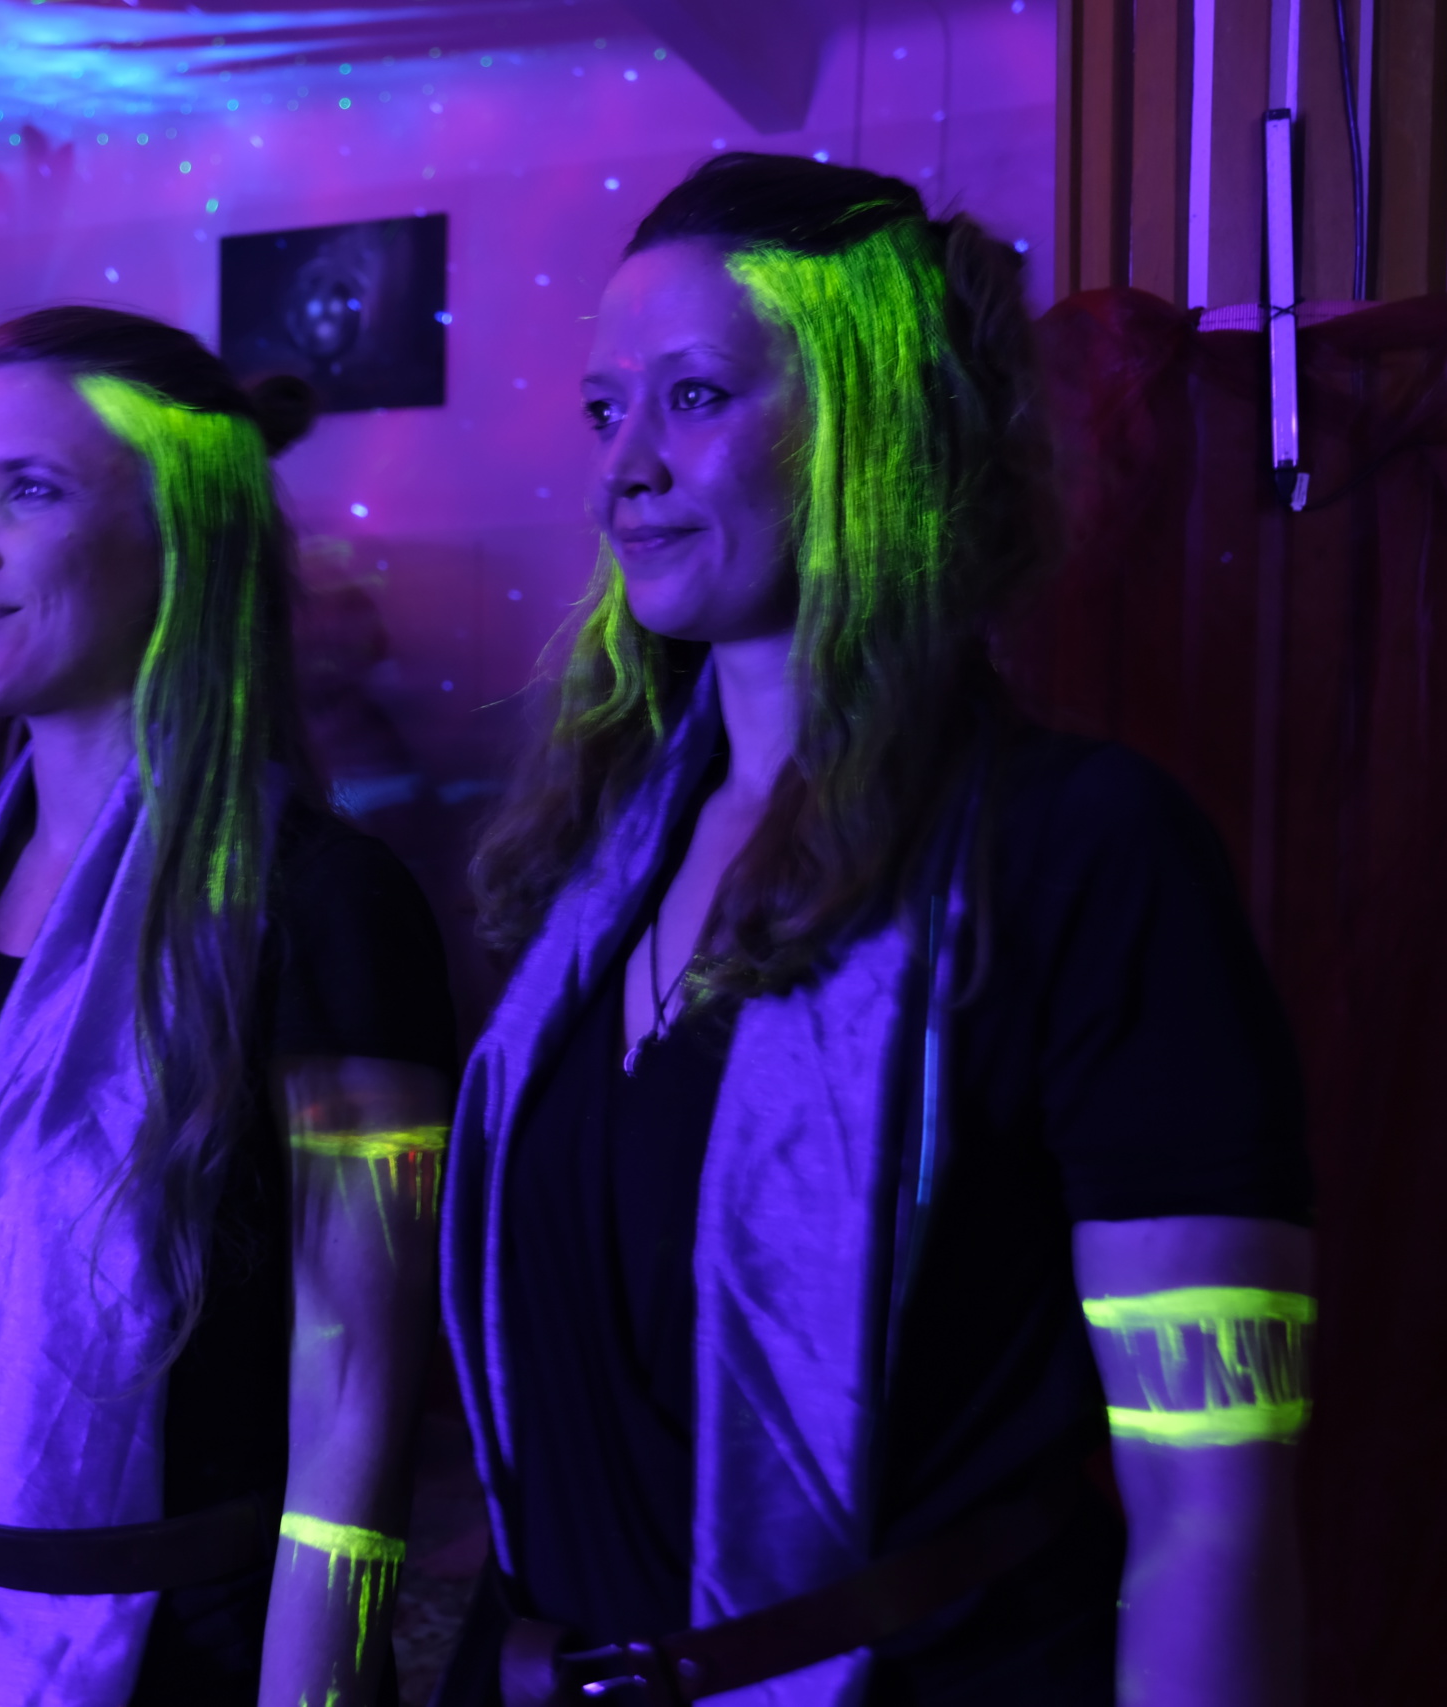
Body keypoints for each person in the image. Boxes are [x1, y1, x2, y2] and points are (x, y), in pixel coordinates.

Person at [438, 155, 1314, 1707]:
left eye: (694, 397)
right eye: (604, 411)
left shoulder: (1088, 853)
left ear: (873, 421)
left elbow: (1211, 1517)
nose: (624, 468)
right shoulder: (591, 875)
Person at [0, 308, 457, 1707]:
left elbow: (358, 1408)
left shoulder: (324, 906)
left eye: (28, 492)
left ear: (184, 540)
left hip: (181, 1659)